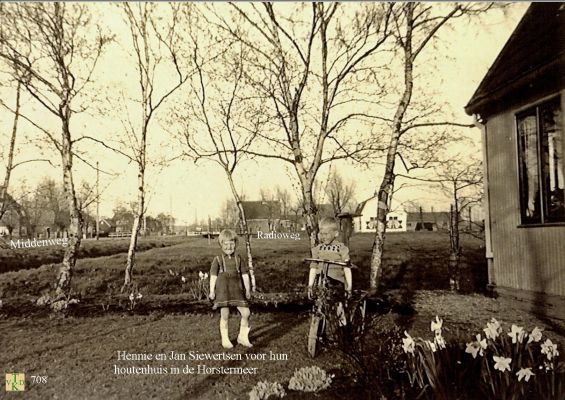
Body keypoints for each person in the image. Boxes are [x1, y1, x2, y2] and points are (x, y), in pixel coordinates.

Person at [209, 229, 253, 349]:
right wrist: (212, 291)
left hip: (236, 289)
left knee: (246, 313)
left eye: (232, 243)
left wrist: (248, 290)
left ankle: (242, 337)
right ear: (221, 244)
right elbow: (213, 276)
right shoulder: (217, 259)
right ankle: (225, 339)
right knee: (225, 314)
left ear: (236, 244)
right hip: (223, 290)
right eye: (226, 244)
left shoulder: (239, 258)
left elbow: (245, 275)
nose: (229, 246)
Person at [307, 217, 353, 327]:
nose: (323, 236)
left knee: (339, 306)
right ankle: (317, 331)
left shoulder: (341, 249)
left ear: (336, 234)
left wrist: (349, 286)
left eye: (326, 234)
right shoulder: (317, 249)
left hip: (336, 282)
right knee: (318, 303)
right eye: (321, 234)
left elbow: (347, 268)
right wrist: (310, 285)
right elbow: (313, 267)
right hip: (321, 281)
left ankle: (343, 329)